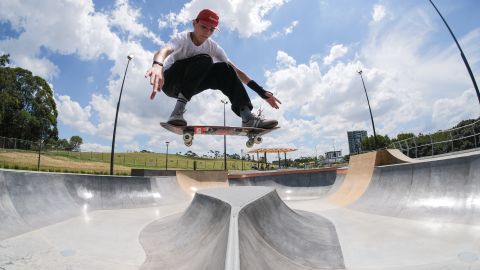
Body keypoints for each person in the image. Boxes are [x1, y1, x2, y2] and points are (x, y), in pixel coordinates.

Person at [145, 8, 281, 128]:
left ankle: (247, 116)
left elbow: (237, 71)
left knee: (225, 68)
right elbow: (163, 51)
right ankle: (177, 113)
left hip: (190, 85)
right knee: (205, 59)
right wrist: (157, 65)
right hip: (170, 81)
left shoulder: (213, 47)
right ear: (194, 23)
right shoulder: (182, 39)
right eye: (204, 27)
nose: (207, 33)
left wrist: (261, 92)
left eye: (211, 30)